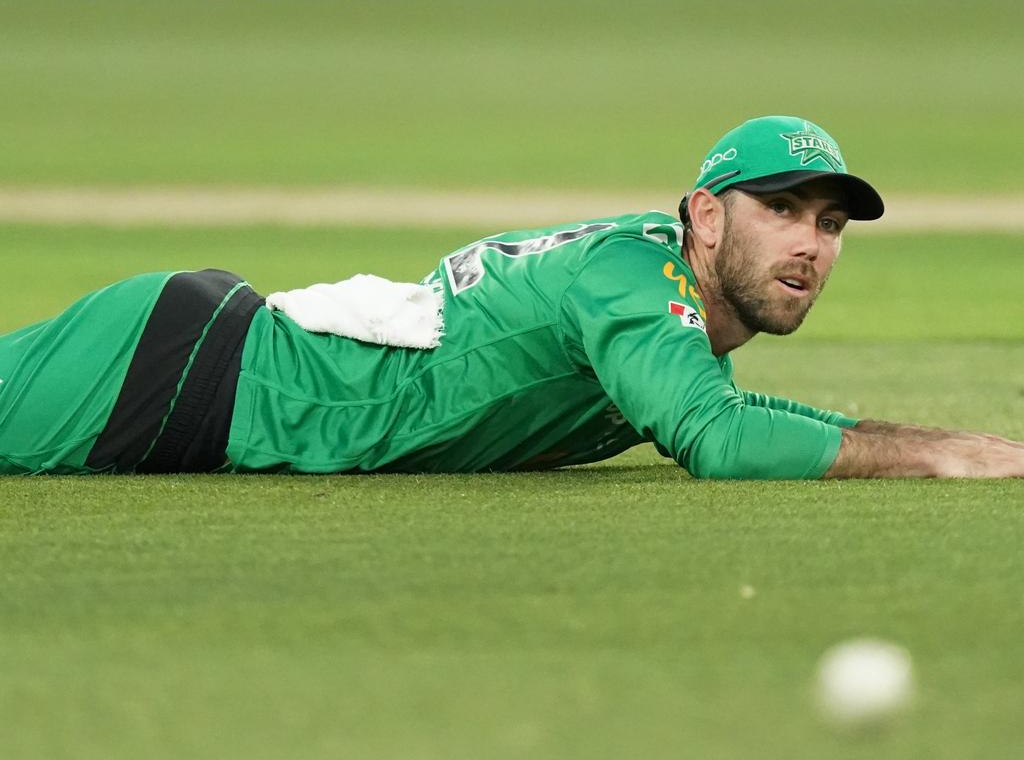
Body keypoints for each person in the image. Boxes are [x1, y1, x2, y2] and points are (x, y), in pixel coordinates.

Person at [1, 115, 1022, 478]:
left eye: (829, 225)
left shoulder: (674, 321)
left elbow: (718, 415)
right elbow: (719, 444)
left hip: (214, 366)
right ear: (706, 217)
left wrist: (931, 439)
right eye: (782, 210)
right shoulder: (634, 276)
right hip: (185, 373)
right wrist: (935, 454)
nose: (808, 242)